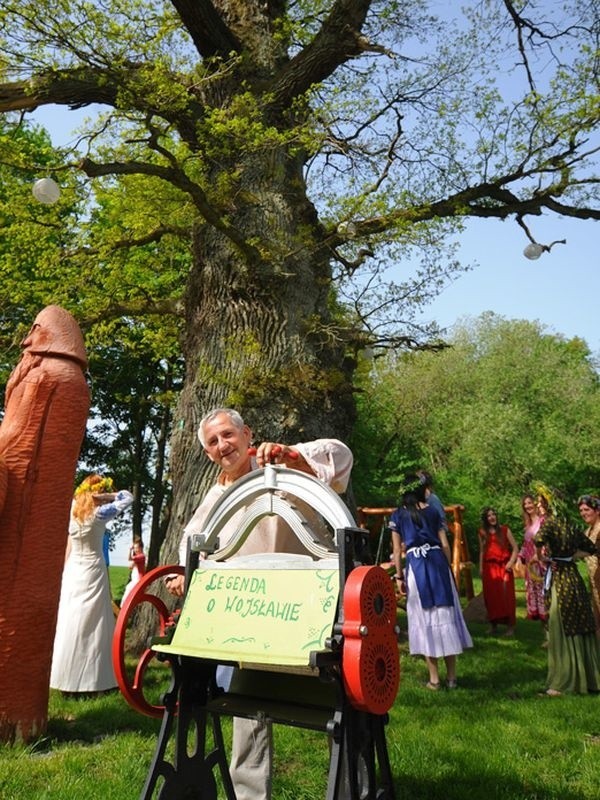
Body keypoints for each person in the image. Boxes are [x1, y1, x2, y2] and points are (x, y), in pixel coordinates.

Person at [165, 408, 353, 800]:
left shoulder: (276, 463)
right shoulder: (217, 496)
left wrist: (294, 458)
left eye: (228, 435)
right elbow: (193, 542)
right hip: (253, 618)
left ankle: (351, 786)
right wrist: (186, 574)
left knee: (338, 708)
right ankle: (249, 796)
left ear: (247, 433)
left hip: (309, 611)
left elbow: (341, 456)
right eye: (213, 443)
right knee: (247, 711)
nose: (223, 446)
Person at [50, 474, 133, 696]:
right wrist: (107, 494)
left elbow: (68, 545)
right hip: (93, 570)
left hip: (73, 570)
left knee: (71, 620)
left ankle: (64, 677)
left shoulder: (72, 512)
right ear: (97, 492)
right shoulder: (99, 514)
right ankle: (94, 680)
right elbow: (127, 498)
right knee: (94, 623)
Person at [388, 474, 472, 690]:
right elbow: (445, 544)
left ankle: (434, 679)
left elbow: (397, 550)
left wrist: (398, 576)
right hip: (438, 566)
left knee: (424, 619)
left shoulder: (398, 515)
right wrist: (447, 569)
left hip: (417, 567)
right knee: (445, 615)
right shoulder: (434, 511)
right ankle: (452, 677)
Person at [534, 487, 600, 696]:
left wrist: (544, 557)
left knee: (563, 622)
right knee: (583, 623)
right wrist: (570, 557)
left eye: (541, 504)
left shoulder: (552, 524)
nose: (538, 508)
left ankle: (566, 679)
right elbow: (591, 549)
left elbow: (538, 542)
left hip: (566, 579)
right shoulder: (575, 527)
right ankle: (589, 677)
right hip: (580, 580)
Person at [478, 507, 518, 636]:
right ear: (486, 519)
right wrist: (480, 568)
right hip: (489, 568)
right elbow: (482, 551)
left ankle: (510, 627)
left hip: (504, 567)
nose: (492, 517)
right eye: (489, 515)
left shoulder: (505, 530)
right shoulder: (482, 532)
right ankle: (493, 625)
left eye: (493, 514)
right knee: (491, 597)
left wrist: (511, 562)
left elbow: (516, 548)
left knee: (506, 596)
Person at [517, 494, 547, 637]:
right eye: (525, 504)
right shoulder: (528, 525)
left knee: (544, 593)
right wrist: (519, 557)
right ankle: (544, 630)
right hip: (531, 564)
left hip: (541, 562)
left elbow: (547, 540)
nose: (528, 506)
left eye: (530, 503)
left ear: (535, 504)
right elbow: (526, 544)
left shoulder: (543, 521)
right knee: (535, 592)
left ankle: (550, 630)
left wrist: (540, 555)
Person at [578, 495, 600, 635]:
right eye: (581, 510)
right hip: (594, 584)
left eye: (586, 509)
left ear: (597, 510)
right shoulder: (587, 532)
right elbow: (581, 553)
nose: (583, 513)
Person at [121, 537, 146, 606]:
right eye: (134, 548)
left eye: (136, 548)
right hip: (135, 579)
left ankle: (125, 606)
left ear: (141, 548)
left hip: (138, 580)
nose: (135, 550)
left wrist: (130, 550)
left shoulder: (141, 556)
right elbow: (130, 566)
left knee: (129, 590)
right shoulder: (138, 558)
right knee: (128, 589)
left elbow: (130, 559)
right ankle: (125, 605)